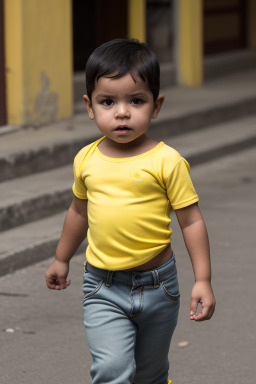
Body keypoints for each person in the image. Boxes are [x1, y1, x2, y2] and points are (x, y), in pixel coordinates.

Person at [45, 38, 216, 384]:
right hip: (102, 287)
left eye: (136, 101)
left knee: (151, 374)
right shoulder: (86, 159)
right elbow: (79, 211)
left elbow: (191, 220)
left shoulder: (167, 161)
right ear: (89, 106)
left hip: (159, 286)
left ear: (156, 106)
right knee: (112, 371)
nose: (122, 112)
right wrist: (61, 258)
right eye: (107, 101)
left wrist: (203, 279)